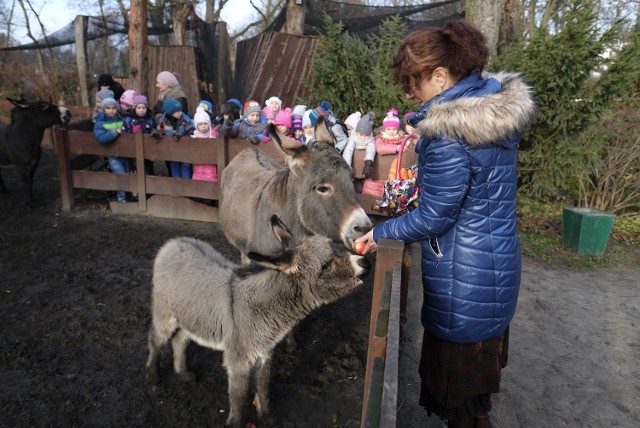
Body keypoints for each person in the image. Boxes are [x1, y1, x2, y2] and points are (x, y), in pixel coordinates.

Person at [355, 20, 536, 428]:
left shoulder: (447, 133)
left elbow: (436, 214)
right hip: (494, 268)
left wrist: (380, 231)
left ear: (440, 76)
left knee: (463, 406)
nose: (409, 93)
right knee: (474, 398)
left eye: (413, 83)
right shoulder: (491, 116)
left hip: (463, 278)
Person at [93, 97, 129, 203]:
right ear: (104, 110)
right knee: (121, 175)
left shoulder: (121, 121)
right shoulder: (99, 124)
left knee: (128, 175)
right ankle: (122, 199)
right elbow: (102, 139)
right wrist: (115, 132)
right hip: (112, 155)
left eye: (113, 108)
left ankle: (129, 196)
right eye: (108, 108)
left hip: (125, 154)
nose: (111, 110)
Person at [152, 98, 194, 179]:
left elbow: (191, 132)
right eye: (178, 112)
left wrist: (183, 137)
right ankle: (177, 190)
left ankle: (187, 189)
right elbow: (161, 132)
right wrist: (157, 134)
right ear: (170, 112)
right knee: (175, 173)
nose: (180, 113)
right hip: (172, 152)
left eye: (181, 110)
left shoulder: (185, 121)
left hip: (185, 152)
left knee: (186, 174)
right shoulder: (163, 122)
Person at [122, 94, 156, 175]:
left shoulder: (150, 120)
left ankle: (151, 180)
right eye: (139, 108)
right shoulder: (129, 120)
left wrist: (154, 132)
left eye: (143, 108)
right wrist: (131, 133)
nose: (141, 110)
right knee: (139, 168)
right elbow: (124, 134)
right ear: (134, 108)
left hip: (148, 149)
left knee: (149, 166)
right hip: (134, 149)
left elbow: (153, 129)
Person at [342, 112, 376, 177]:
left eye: (366, 135)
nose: (363, 137)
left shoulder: (370, 139)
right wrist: (346, 167)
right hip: (352, 165)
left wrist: (368, 164)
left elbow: (371, 149)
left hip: (363, 164)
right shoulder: (353, 138)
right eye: (361, 135)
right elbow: (348, 150)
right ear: (357, 132)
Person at [191, 106, 218, 182]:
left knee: (211, 178)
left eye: (205, 123)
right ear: (196, 126)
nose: (203, 126)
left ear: (209, 124)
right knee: (198, 180)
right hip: (198, 166)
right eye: (200, 124)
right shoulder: (194, 137)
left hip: (211, 167)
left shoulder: (213, 135)